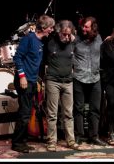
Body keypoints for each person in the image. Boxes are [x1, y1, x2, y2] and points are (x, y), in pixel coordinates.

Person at [11, 15, 55, 153]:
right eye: (51, 27)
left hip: (31, 80)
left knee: (28, 112)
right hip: (24, 81)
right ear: (43, 28)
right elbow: (18, 57)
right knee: (24, 113)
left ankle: (23, 141)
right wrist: (22, 77)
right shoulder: (29, 39)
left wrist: (36, 80)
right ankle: (17, 143)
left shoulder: (40, 41)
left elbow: (33, 63)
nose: (52, 30)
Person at [44, 20, 83, 152]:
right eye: (64, 34)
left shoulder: (73, 41)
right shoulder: (50, 40)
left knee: (68, 114)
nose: (66, 37)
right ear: (58, 32)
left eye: (68, 34)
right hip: (53, 81)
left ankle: (70, 141)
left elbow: (84, 38)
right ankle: (51, 141)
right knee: (52, 114)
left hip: (68, 82)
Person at [73, 16, 106, 146]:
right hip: (79, 77)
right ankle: (79, 135)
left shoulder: (99, 38)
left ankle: (94, 136)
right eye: (83, 26)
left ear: (93, 28)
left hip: (95, 78)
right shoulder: (76, 39)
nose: (83, 29)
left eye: (86, 27)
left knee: (95, 109)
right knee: (78, 108)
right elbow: (70, 54)